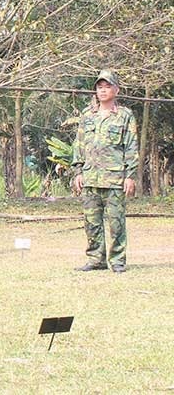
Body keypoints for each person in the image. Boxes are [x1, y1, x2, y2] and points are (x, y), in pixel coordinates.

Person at [72, 69, 138, 273]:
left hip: (115, 178)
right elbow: (79, 145)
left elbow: (131, 146)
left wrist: (130, 176)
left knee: (116, 223)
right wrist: (78, 172)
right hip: (90, 178)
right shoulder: (87, 116)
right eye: (99, 87)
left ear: (116, 90)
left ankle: (117, 260)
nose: (102, 91)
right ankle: (95, 259)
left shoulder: (125, 116)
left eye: (107, 87)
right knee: (91, 222)